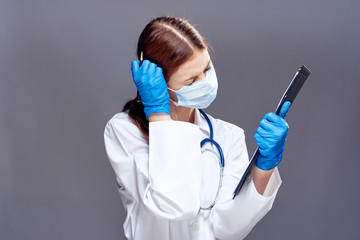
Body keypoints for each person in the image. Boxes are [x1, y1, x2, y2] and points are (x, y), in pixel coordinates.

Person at [103, 16, 290, 240]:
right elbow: (173, 205)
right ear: (160, 82)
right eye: (191, 81)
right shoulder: (124, 132)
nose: (205, 82)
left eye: (207, 69)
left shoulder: (227, 136)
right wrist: (159, 115)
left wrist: (265, 167)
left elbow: (228, 229)